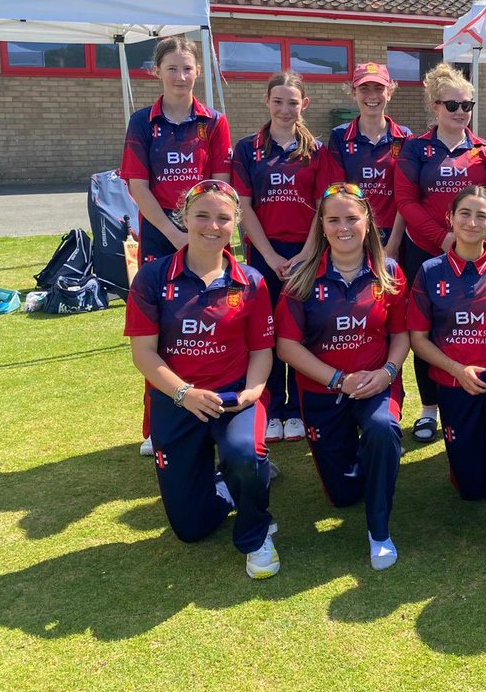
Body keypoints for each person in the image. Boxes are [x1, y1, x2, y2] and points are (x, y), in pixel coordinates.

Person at [123, 180, 279, 579]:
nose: (213, 226)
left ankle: (256, 532)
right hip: (178, 400)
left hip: (232, 398)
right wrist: (184, 393)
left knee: (245, 454)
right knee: (190, 529)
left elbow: (262, 351)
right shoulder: (153, 278)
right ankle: (225, 488)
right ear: (184, 218)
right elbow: (144, 353)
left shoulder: (252, 281)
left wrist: (254, 391)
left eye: (223, 218)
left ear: (235, 224)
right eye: (203, 216)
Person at [275, 183, 409, 570]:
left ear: (368, 222)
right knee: (344, 494)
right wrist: (337, 379)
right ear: (321, 225)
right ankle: (371, 462)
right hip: (323, 391)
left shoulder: (389, 272)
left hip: (376, 386)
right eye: (333, 220)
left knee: (383, 429)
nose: (343, 227)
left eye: (352, 218)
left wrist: (387, 372)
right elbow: (287, 346)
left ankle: (379, 531)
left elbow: (401, 335)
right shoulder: (302, 276)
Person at [407, 186, 486, 562]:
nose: (472, 222)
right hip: (454, 381)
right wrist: (456, 369)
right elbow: (418, 338)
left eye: (482, 215)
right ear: (450, 217)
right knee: (472, 489)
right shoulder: (430, 272)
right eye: (465, 213)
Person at [120, 35, 232, 457]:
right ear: (157, 72)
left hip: (206, 235)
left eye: (188, 68)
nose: (181, 76)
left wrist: (204, 230)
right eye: (172, 69)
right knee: (162, 334)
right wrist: (176, 235)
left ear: (197, 72)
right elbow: (138, 187)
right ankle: (157, 425)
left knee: (208, 331)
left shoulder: (214, 121)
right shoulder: (142, 122)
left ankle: (215, 414)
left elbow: (221, 184)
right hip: (162, 236)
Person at [394, 63, 486, 444]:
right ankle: (430, 408)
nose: (460, 112)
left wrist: (475, 238)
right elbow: (406, 200)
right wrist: (443, 238)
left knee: (477, 327)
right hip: (427, 253)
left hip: (475, 256)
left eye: (467, 105)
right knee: (428, 329)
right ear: (434, 107)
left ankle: (483, 394)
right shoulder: (415, 148)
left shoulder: (484, 150)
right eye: (452, 105)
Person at [232, 71, 330, 445]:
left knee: (301, 331)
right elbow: (244, 206)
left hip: (307, 253)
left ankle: (298, 411)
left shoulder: (318, 151)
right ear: (266, 101)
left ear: (304, 105)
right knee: (266, 332)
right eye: (279, 101)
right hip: (264, 254)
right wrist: (270, 256)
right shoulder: (247, 149)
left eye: (293, 102)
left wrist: (306, 254)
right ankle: (272, 409)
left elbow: (323, 207)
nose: (286, 109)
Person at [327, 62, 411, 257]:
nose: (372, 96)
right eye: (364, 88)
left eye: (379, 88)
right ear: (353, 92)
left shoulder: (404, 136)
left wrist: (393, 244)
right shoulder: (340, 136)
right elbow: (339, 193)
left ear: (389, 92)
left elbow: (406, 195)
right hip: (354, 230)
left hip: (393, 232)